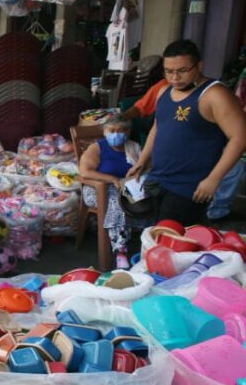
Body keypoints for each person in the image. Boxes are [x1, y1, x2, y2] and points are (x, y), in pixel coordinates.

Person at [128, 40, 246, 226]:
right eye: (168, 71)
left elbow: (239, 138)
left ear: (199, 66)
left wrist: (213, 179)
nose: (174, 77)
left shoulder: (214, 95)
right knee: (154, 236)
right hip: (158, 178)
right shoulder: (164, 91)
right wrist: (142, 161)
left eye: (182, 71)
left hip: (189, 186)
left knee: (173, 241)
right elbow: (158, 128)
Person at [78, 116, 142, 269]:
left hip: (127, 188)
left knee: (149, 199)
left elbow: (143, 167)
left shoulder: (133, 147)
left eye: (121, 131)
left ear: (128, 132)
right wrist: (112, 179)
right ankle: (120, 251)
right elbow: (85, 172)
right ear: (105, 131)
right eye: (112, 130)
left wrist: (136, 178)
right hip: (98, 189)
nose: (116, 134)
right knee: (117, 203)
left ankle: (147, 245)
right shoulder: (97, 148)